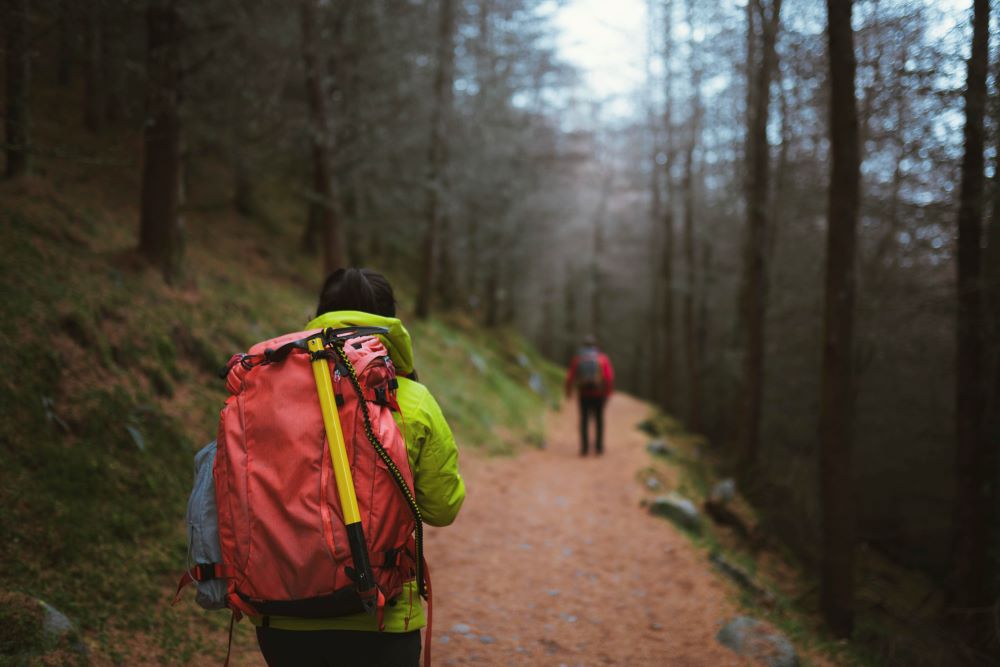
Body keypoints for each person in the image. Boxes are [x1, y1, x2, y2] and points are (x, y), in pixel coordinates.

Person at [252, 267, 466, 667]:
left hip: (281, 617)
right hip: (380, 620)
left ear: (320, 315)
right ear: (388, 322)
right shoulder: (411, 400)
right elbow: (442, 508)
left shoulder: (266, 391)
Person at [565, 335, 615, 457]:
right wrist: (608, 393)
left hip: (584, 394)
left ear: (583, 346)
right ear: (596, 346)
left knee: (584, 420)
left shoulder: (578, 359)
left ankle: (584, 448)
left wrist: (568, 392)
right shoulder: (602, 359)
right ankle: (599, 447)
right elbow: (609, 377)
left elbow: (570, 377)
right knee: (599, 420)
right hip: (599, 394)